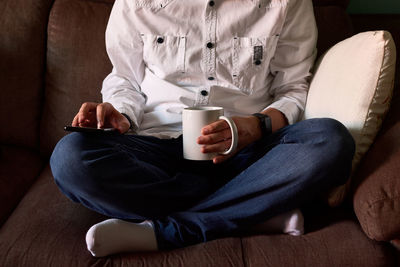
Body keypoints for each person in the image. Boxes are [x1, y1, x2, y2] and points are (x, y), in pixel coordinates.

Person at [50, 0, 355, 257]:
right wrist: (120, 114)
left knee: (330, 140)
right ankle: (251, 208)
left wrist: (256, 126)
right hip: (157, 150)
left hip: (248, 155)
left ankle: (168, 231)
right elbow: (125, 79)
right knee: (70, 158)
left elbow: (293, 88)